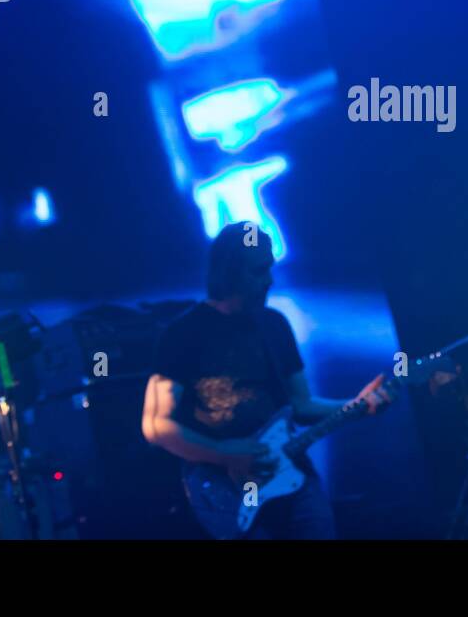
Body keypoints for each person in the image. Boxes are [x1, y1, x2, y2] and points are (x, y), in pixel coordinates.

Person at [141, 223, 390, 539]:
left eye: (269, 269)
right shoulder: (182, 335)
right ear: (228, 273)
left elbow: (300, 406)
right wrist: (224, 453)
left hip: (292, 473)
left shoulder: (274, 325)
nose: (268, 281)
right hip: (227, 487)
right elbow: (155, 425)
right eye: (258, 272)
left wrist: (357, 406)